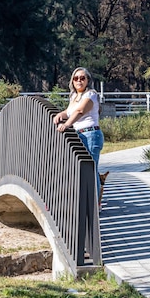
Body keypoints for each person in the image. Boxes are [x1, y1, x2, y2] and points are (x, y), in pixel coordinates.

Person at [53, 67, 105, 205]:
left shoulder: (91, 95)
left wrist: (67, 125)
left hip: (91, 135)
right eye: (76, 78)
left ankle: (95, 205)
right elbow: (70, 112)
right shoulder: (74, 96)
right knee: (80, 170)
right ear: (72, 81)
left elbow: (81, 111)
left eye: (82, 78)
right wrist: (60, 115)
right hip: (79, 136)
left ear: (88, 80)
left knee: (91, 170)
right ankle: (84, 202)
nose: (79, 81)